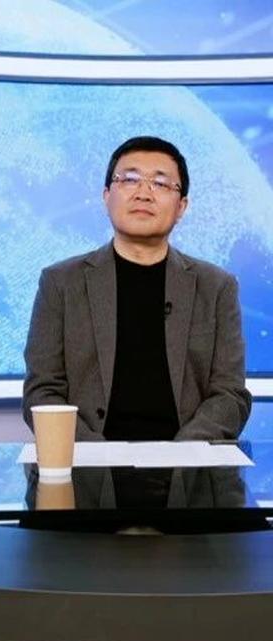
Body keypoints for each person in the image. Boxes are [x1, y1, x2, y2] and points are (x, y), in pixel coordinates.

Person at [22, 136, 251, 441]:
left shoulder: (217, 287)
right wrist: (97, 454)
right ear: (107, 196)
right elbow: (41, 392)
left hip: (187, 461)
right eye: (129, 179)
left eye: (160, 183)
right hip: (88, 461)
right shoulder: (60, 283)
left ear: (181, 206)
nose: (143, 193)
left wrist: (181, 453)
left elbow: (230, 395)